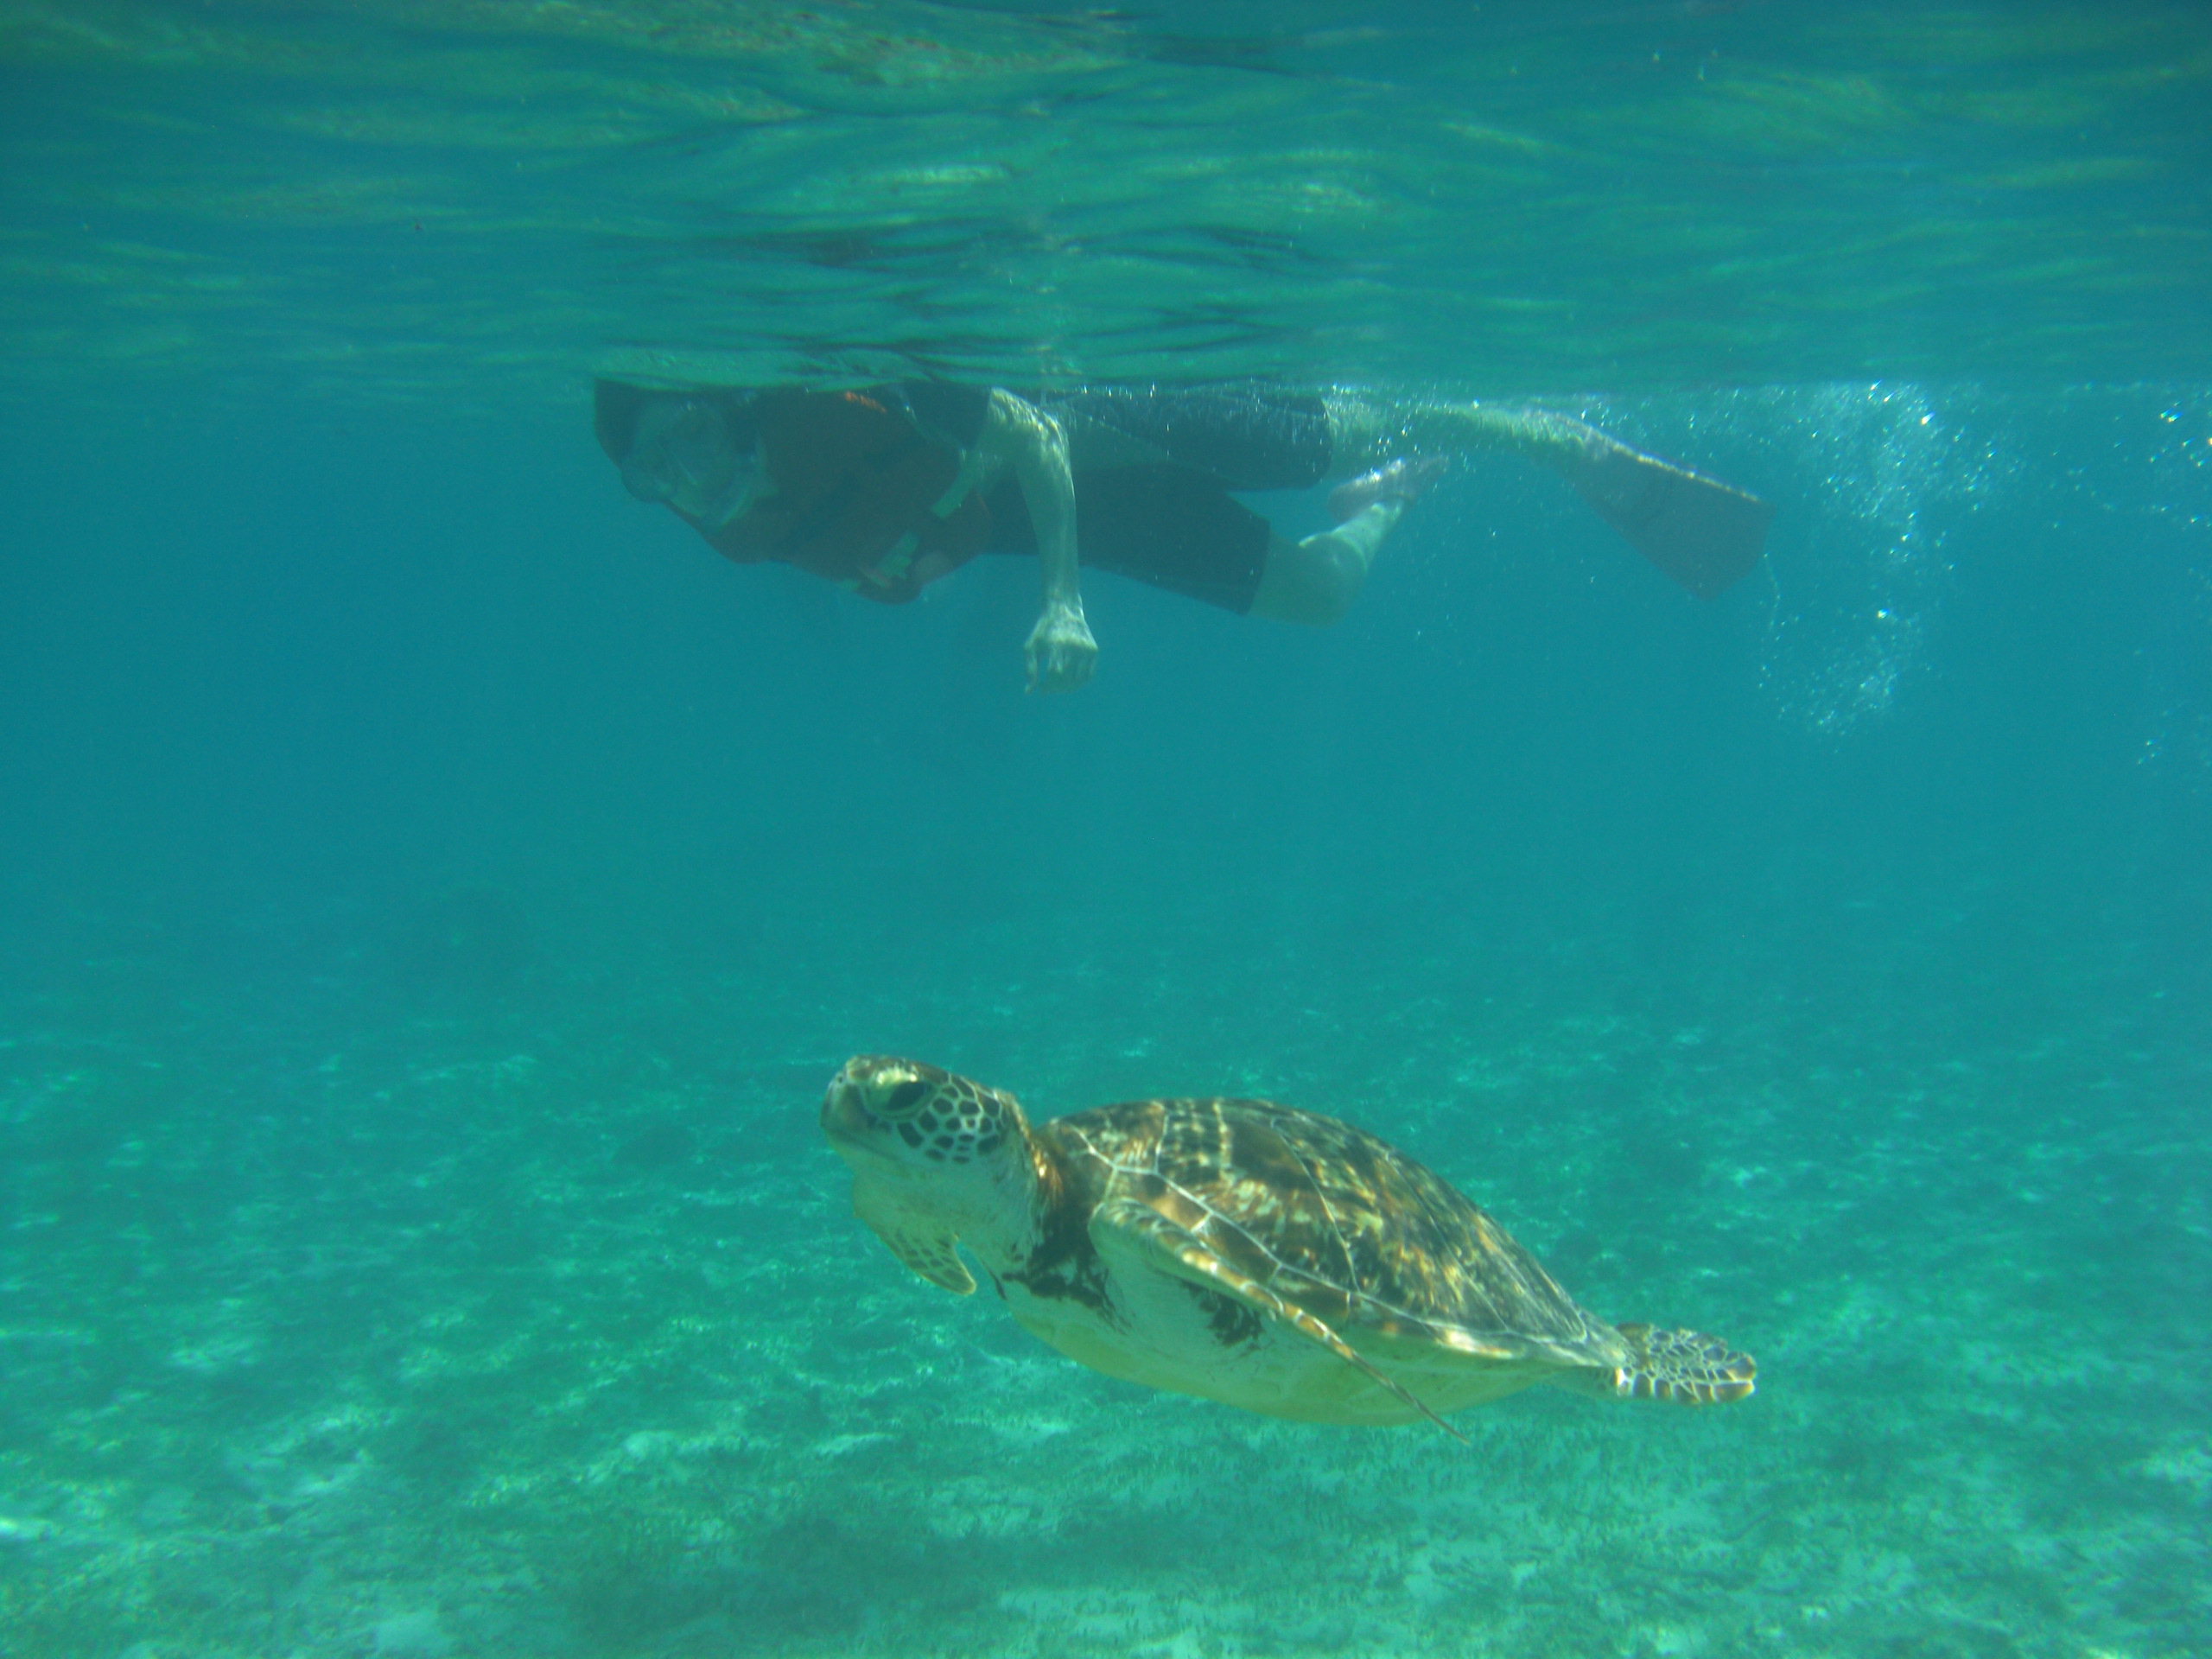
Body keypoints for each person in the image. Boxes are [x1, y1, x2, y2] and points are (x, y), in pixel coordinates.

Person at [593, 378, 1773, 693]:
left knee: (1315, 438)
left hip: (1083, 431)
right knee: (1319, 595)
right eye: (662, 472)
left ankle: (1546, 439)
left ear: (729, 400)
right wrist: (900, 572)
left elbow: (1026, 434)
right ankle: (1399, 497)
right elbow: (884, 541)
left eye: (693, 436)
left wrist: (1062, 601)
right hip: (1053, 512)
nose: (695, 475)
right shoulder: (730, 525)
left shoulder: (830, 397)